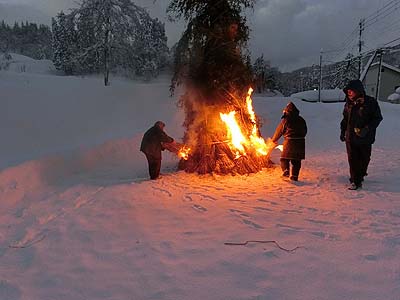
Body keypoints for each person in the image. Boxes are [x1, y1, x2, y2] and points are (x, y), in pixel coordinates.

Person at [340, 79, 383, 190]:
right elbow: (345, 119)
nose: (349, 93)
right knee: (352, 158)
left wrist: (367, 128)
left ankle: (361, 174)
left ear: (358, 90)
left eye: (351, 91)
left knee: (364, 158)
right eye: (347, 91)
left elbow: (377, 118)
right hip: (351, 137)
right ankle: (355, 180)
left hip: (365, 138)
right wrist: (342, 131)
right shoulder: (348, 104)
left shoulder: (370, 102)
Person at [271, 102, 307, 181]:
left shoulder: (286, 120)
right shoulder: (301, 119)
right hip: (300, 142)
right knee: (296, 161)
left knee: (284, 158)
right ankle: (294, 176)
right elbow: (305, 130)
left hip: (289, 141)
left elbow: (279, 131)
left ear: (287, 111)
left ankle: (286, 171)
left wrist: (273, 140)